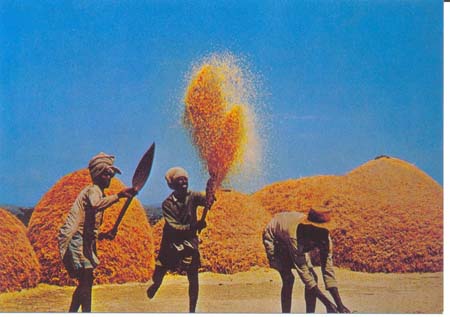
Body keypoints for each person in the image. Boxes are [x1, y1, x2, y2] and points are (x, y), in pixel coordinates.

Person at [58, 152, 136, 312]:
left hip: (83, 241)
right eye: (107, 174)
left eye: (111, 175)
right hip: (75, 239)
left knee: (86, 281)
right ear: (98, 175)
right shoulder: (93, 190)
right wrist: (119, 195)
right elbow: (95, 205)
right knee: (86, 279)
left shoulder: (99, 192)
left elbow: (88, 226)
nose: (110, 178)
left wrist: (103, 235)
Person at [146, 167, 215, 313]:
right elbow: (174, 226)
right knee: (160, 270)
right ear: (172, 184)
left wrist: (211, 189)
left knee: (193, 276)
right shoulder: (167, 204)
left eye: (185, 179)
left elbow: (207, 200)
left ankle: (192, 310)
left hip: (190, 240)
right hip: (171, 242)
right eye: (179, 180)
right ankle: (156, 284)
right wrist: (195, 225)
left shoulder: (193, 196)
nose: (183, 182)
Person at [262, 208, 351, 314]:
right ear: (312, 229)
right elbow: (304, 273)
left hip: (292, 237)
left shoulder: (325, 238)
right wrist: (328, 304)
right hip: (275, 238)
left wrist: (340, 305)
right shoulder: (296, 236)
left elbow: (328, 271)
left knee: (314, 277)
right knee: (288, 279)